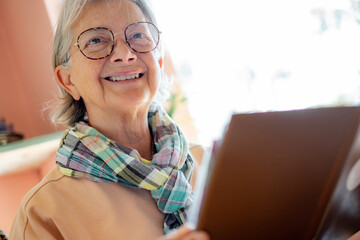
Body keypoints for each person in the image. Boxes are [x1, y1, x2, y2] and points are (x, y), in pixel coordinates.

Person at [9, 0, 209, 239]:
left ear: (159, 62)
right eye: (96, 40)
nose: (125, 54)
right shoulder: (43, 212)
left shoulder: (209, 165)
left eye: (137, 35)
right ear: (68, 80)